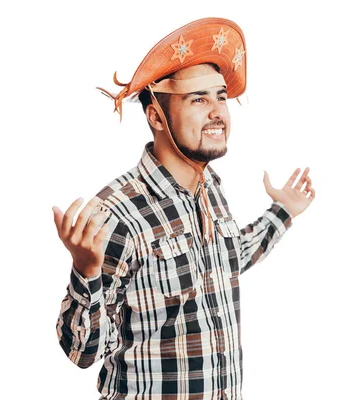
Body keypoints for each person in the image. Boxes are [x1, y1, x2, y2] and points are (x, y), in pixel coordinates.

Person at [53, 17, 316, 399]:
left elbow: (229, 258)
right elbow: (82, 351)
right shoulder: (116, 213)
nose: (217, 112)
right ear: (156, 117)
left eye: (220, 97)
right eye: (198, 99)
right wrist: (86, 272)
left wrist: (282, 212)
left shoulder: (210, 191)